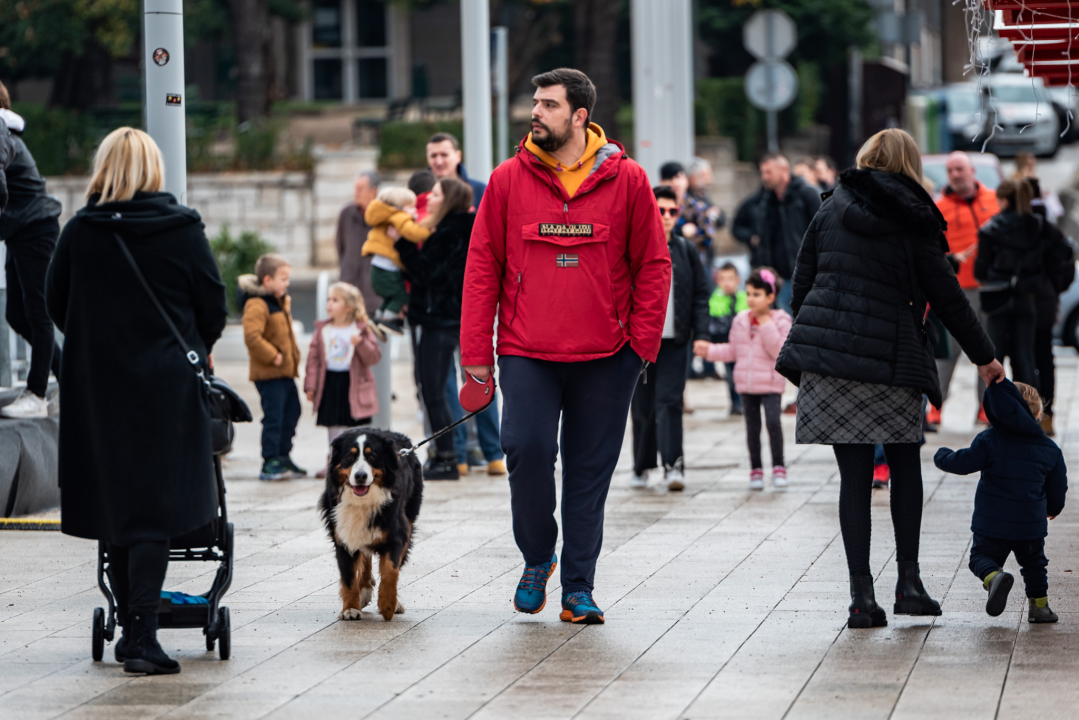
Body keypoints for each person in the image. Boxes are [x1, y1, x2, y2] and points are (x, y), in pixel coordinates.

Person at [461, 68, 670, 625]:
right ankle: (538, 558)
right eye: (536, 102)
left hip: (608, 355)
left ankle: (578, 588)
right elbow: (481, 268)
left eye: (548, 104)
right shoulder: (507, 179)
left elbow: (654, 264)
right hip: (527, 350)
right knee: (525, 449)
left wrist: (641, 346)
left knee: (588, 472)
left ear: (580, 115)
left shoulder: (629, 180)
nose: (536, 112)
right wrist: (476, 355)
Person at [775, 128, 1004, 630]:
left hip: (832, 363)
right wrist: (985, 358)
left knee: (855, 478)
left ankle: (861, 599)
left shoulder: (830, 208)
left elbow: (802, 283)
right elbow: (947, 295)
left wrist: (827, 334)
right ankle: (909, 586)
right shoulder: (915, 216)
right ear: (910, 166)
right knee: (904, 464)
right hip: (892, 359)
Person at [45, 127, 228, 674]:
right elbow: (213, 307)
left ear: (103, 167)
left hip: (97, 389)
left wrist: (98, 342)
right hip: (166, 389)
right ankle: (142, 638)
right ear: (154, 168)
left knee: (117, 506)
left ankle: (131, 628)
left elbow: (56, 302)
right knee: (153, 510)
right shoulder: (182, 228)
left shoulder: (81, 231)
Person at [933, 380, 1066, 623]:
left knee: (980, 558)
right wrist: (1052, 508)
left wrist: (942, 455)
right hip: (1029, 524)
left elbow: (962, 463)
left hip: (992, 522)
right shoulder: (1050, 450)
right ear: (1038, 413)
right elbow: (1057, 488)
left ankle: (993, 577)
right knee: (1035, 565)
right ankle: (1039, 608)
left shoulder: (989, 440)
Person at [630, 185, 710, 492]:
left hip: (676, 341)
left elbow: (701, 294)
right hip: (640, 344)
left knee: (670, 402)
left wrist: (701, 335)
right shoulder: (634, 246)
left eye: (672, 211)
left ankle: (673, 465)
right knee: (642, 407)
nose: (666, 216)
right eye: (660, 210)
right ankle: (641, 466)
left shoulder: (686, 250)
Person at [395, 177, 475, 480]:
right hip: (441, 319)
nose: (428, 198)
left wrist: (401, 242)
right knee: (432, 390)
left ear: (449, 199)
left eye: (436, 194)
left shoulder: (450, 231)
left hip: (440, 320)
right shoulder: (450, 228)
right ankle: (445, 455)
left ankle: (447, 458)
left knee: (434, 391)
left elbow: (423, 271)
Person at [0, 83, 64, 418]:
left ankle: (37, 394)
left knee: (39, 314)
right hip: (21, 230)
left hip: (35, 228)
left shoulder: (1, 131)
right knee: (16, 314)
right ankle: (70, 377)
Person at [698, 268, 791, 490]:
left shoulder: (781, 320)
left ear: (770, 297)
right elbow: (733, 350)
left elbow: (779, 351)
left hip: (770, 383)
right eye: (748, 293)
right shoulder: (740, 320)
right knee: (752, 427)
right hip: (746, 384)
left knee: (773, 423)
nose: (751, 299)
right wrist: (709, 351)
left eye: (757, 294)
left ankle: (779, 466)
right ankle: (756, 469)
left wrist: (765, 323)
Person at [932, 151, 1000, 425]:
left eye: (960, 169)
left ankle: (986, 407)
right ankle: (935, 406)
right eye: (950, 171)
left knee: (988, 350)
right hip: (955, 292)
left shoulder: (994, 200)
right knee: (947, 353)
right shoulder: (939, 207)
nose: (955, 175)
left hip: (990, 288)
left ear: (972, 171)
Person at [304, 282, 382, 478]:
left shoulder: (361, 329)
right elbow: (313, 359)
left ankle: (354, 462)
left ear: (348, 306)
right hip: (329, 381)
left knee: (351, 424)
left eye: (335, 300)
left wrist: (361, 344)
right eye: (328, 299)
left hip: (352, 383)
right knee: (332, 423)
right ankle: (333, 461)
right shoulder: (323, 329)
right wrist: (310, 385)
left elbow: (374, 357)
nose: (329, 304)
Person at [239, 254, 305, 482]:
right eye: (283, 279)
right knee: (274, 416)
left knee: (293, 411)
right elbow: (252, 336)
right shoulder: (257, 304)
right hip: (269, 374)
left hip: (285, 372)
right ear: (267, 280)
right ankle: (269, 461)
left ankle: (283, 455)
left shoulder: (280, 300)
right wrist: (272, 355)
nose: (287, 283)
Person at [974, 179, 1045, 386]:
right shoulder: (1036, 225)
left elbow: (980, 270)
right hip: (1026, 295)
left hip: (997, 295)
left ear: (1004, 201)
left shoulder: (991, 228)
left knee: (994, 356)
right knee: (1025, 356)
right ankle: (1030, 404)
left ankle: (995, 404)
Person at [731, 153, 822, 313]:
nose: (765, 177)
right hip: (776, 277)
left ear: (783, 169)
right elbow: (741, 228)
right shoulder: (764, 200)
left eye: (769, 172)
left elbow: (823, 230)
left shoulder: (806, 194)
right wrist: (752, 239)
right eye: (762, 172)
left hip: (803, 274)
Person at [362, 186, 432, 334]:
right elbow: (412, 232)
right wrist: (429, 231)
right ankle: (388, 321)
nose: (414, 211)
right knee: (400, 296)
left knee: (389, 297)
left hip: (377, 268)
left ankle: (377, 319)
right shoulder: (399, 217)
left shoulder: (383, 218)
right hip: (388, 270)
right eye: (411, 207)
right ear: (399, 207)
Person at [335, 170, 380, 314]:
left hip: (375, 296)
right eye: (355, 188)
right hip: (349, 292)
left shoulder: (384, 215)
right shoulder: (346, 214)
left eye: (360, 189)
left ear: (373, 192)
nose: (356, 193)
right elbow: (340, 247)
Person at [708, 262, 748, 414]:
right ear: (717, 281)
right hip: (727, 346)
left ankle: (744, 402)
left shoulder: (745, 298)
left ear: (738, 280)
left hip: (744, 346)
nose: (727, 283)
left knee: (744, 375)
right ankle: (735, 403)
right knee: (731, 376)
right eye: (723, 279)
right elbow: (715, 319)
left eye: (730, 278)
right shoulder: (715, 300)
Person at [427, 132, 486, 207]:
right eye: (433, 156)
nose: (439, 162)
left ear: (458, 156)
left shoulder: (479, 190)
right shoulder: (418, 191)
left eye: (444, 155)